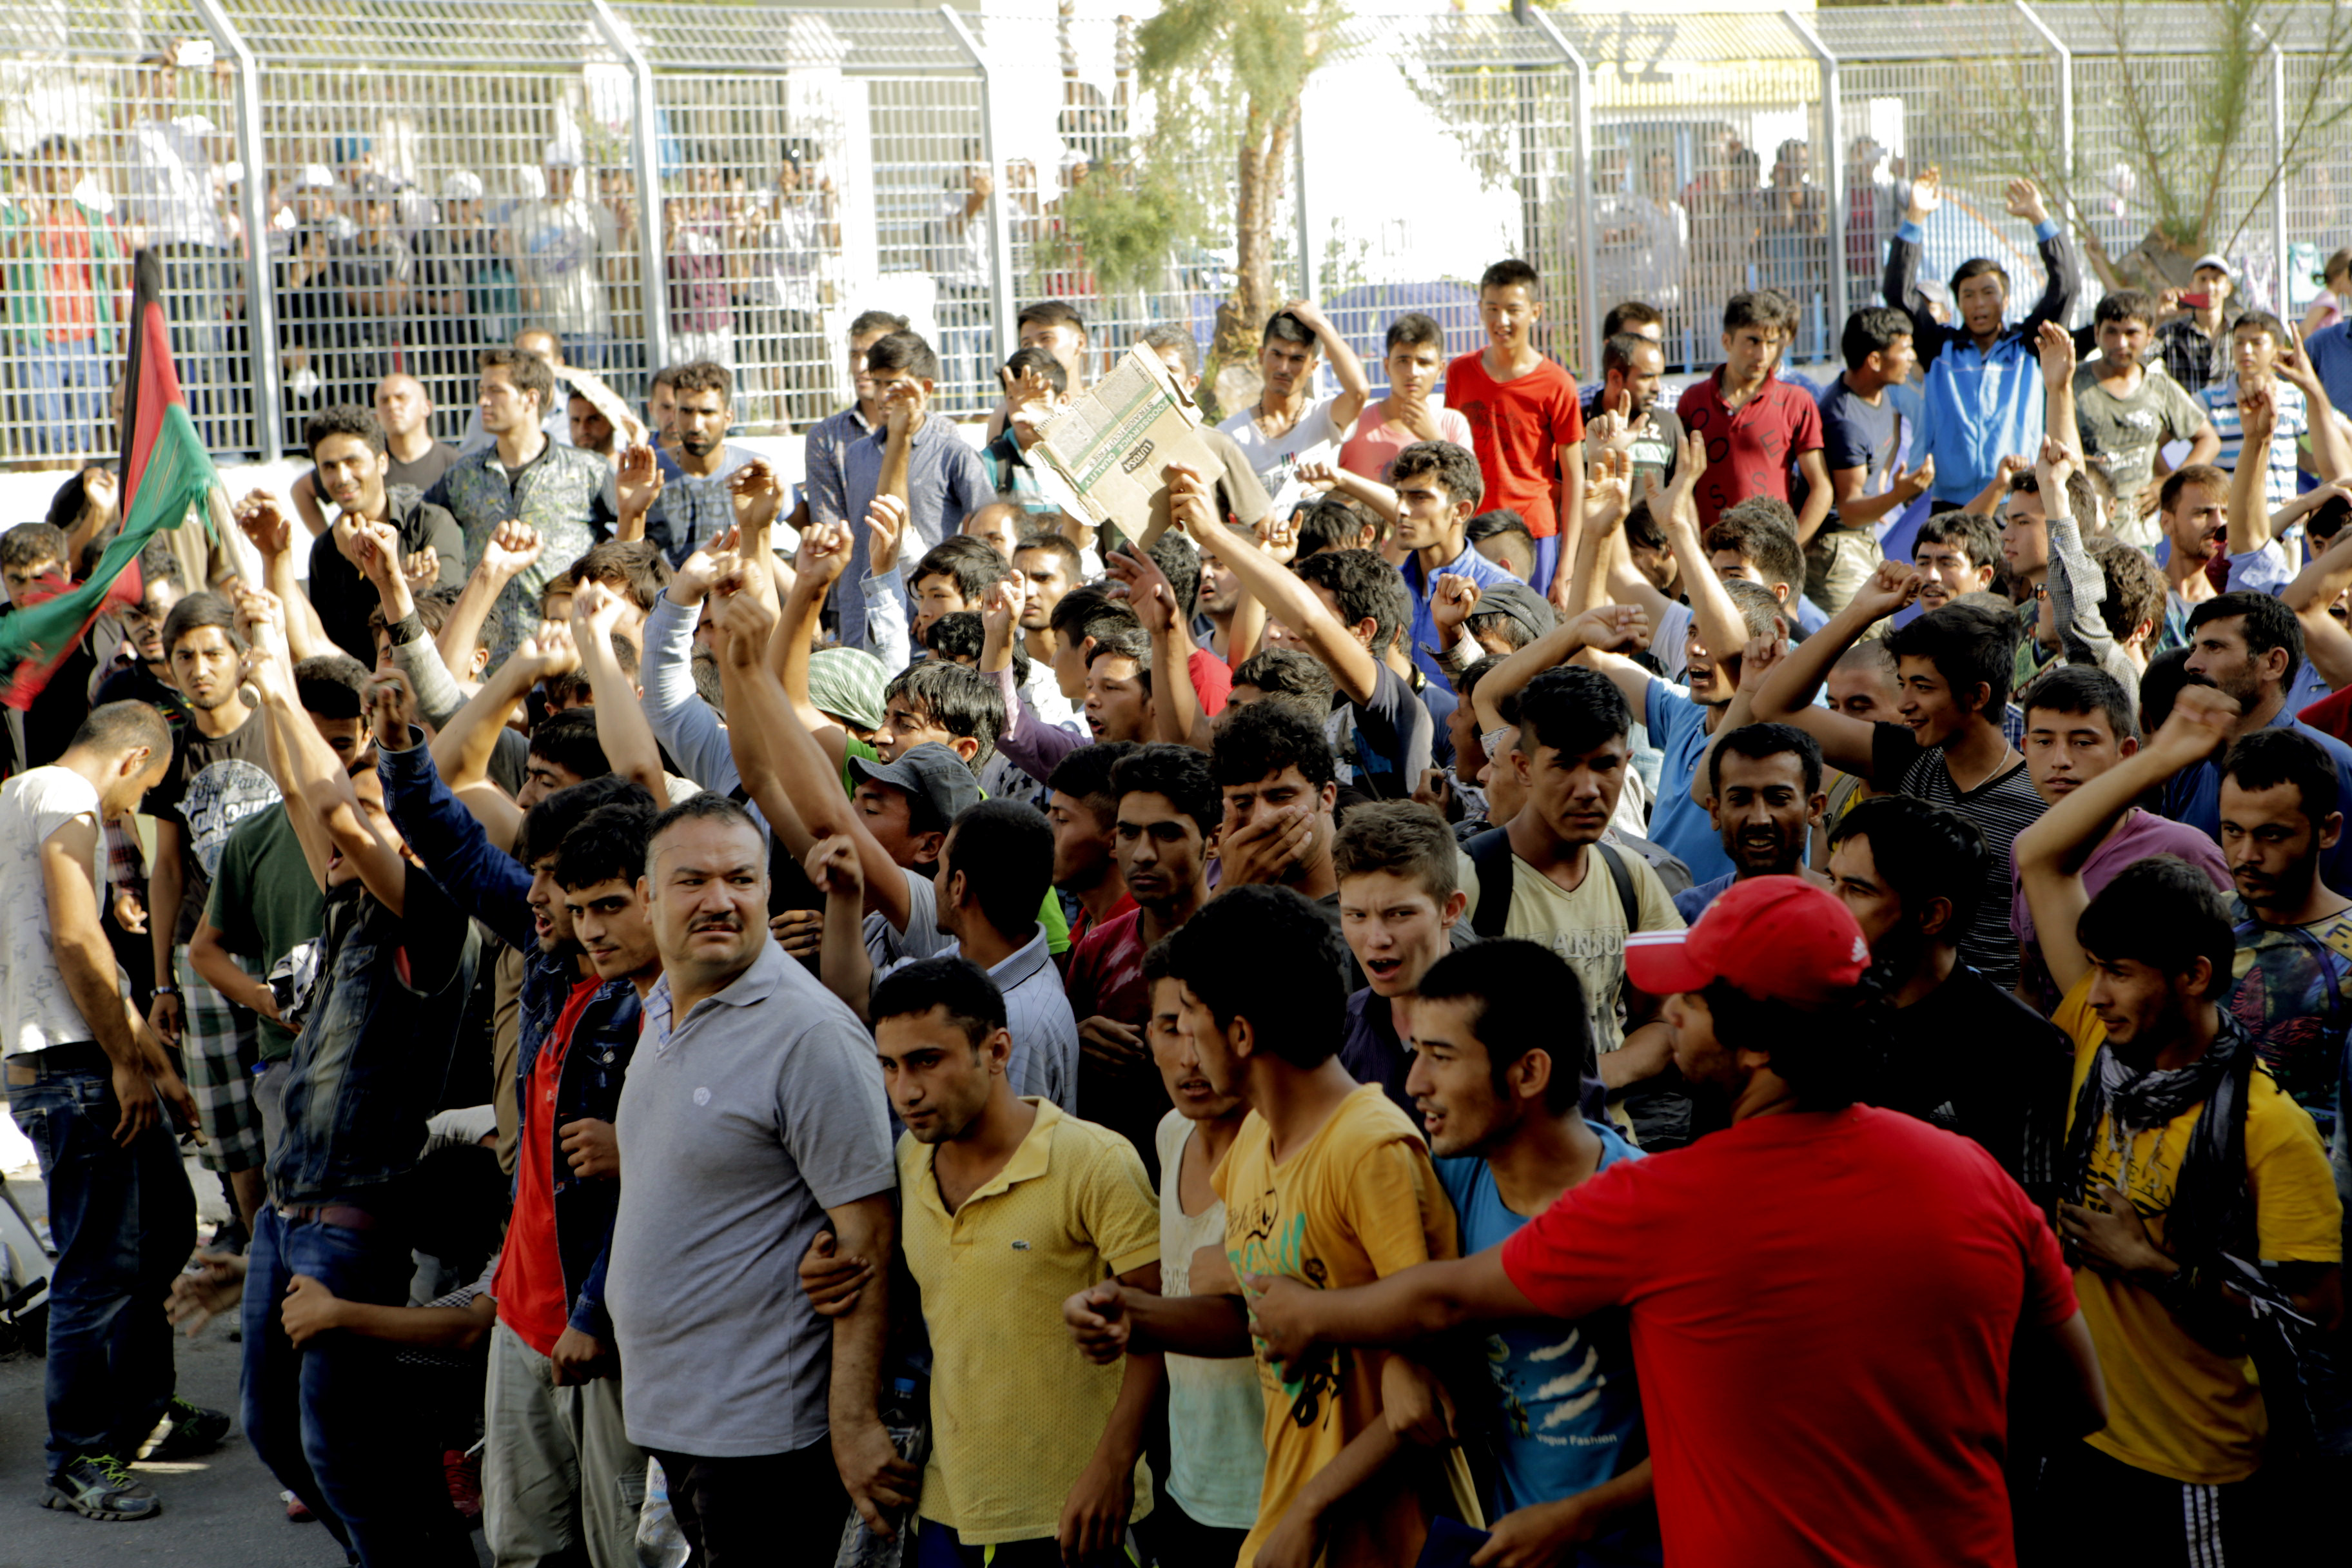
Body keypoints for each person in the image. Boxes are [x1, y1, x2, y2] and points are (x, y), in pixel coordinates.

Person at [1243, 876, 2107, 1568]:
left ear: (1760, 1045)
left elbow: (1447, 1304)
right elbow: (2077, 1400)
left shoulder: (1660, 1200)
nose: (1672, 1020)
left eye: (1690, 1003)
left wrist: (1304, 1313)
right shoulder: (1976, 1176)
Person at [2014, 696, 2342, 1562]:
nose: (2099, 991)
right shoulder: (2101, 1029)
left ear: (2195, 976)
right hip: (2083, 1435)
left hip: (2197, 1467)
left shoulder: (2269, 1129)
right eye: (2099, 972)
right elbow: (2039, 857)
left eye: (2119, 973)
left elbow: (2315, 1315)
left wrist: (2152, 1267)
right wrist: (2163, 755)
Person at [374, 663, 658, 1568]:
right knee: (525, 1547)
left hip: (593, 1335)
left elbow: (643, 1196)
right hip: (521, 1321)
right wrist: (401, 751)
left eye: (557, 880)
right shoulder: (549, 957)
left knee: (625, 1552)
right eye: (535, 877)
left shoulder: (648, 1007)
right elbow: (453, 850)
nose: (532, 897)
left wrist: (593, 1317)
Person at [230, 587, 485, 1566]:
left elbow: (332, 805)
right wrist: (263, 657)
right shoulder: (344, 918)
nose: (345, 834)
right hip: (283, 1217)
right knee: (275, 1432)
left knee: (340, 1452)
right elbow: (308, 797)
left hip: (347, 1227)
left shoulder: (432, 920)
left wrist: (274, 678)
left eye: (377, 816)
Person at [603, 794, 905, 1564]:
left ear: (769, 890)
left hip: (762, 1438)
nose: (719, 900)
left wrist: (854, 1421)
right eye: (692, 880)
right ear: (647, 896)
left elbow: (867, 1235)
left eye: (741, 878)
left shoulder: (808, 1034)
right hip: (678, 1421)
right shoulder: (662, 1005)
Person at [1149, 885, 1482, 1567]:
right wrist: (1135, 1315)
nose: (1185, 1043)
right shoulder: (1252, 1144)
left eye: (1189, 1018)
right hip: (1286, 1518)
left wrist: (1312, 1507)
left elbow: (1431, 1369)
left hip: (1378, 1536)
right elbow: (1263, 1307)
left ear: (1240, 1032)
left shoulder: (1370, 1146)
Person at [853, 957, 1164, 1565]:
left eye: (927, 1060)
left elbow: (1160, 1328)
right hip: (947, 1506)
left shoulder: (1095, 1162)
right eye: (888, 1066)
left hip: (1074, 1511)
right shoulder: (908, 1164)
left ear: (997, 1051)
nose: (905, 1091)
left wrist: (1113, 1468)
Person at [3, 701, 219, 1524]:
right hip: (71, 1066)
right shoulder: (66, 795)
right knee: (94, 1270)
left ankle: (143, 1416)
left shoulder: (18, 794)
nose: (129, 814)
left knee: (164, 1227)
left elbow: (85, 954)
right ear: (131, 759)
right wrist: (128, 1061)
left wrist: (153, 1061)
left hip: (80, 1054)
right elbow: (74, 936)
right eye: (142, 793)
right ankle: (79, 1458)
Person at [1407, 941, 1661, 1563]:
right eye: (1417, 1053)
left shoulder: (1646, 1209)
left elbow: (1711, 1434)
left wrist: (1576, 1520)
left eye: (1441, 1057)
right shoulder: (1453, 1180)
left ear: (1528, 1073)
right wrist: (1400, 1360)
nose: (1415, 1083)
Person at [1750, 560, 2044, 988]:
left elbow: (2032, 968)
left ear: (1977, 696)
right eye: (1903, 684)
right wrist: (1861, 612)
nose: (1904, 702)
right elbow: (1771, 707)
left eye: (1922, 687)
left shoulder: (2039, 803)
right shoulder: (1906, 757)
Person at [1458, 665, 1688, 1144]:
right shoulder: (1469, 880)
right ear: (1524, 768)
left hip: (1610, 1147)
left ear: (1627, 763)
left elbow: (1668, 1020)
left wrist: (1590, 1078)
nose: (1588, 789)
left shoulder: (1633, 877)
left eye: (1604, 765)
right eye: (1564, 765)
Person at [1826, 794, 2070, 1204]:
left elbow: (2032, 1216)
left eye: (1857, 890)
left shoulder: (2022, 1048)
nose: (1830, 904)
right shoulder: (1814, 1014)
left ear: (1931, 916)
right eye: (1831, 880)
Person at [188, 655, 372, 1163]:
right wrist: (264, 999)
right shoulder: (256, 837)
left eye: (340, 743)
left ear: (369, 734)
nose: (327, 761)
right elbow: (205, 950)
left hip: (375, 1060)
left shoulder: (386, 828)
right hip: (288, 1061)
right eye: (307, 742)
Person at [144, 593, 280, 1237]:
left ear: (240, 657)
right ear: (169, 667)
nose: (200, 668)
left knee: (291, 1095)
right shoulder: (171, 754)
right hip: (203, 953)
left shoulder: (275, 728)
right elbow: (167, 869)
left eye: (212, 653)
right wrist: (163, 981)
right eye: (185, 656)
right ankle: (259, 1255)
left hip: (280, 941)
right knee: (229, 1121)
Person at [1169, 469, 1431, 799]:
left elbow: (1308, 621)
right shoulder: (1289, 701)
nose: (1283, 632)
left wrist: (1213, 534)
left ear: (1363, 631)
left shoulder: (1393, 706)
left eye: (1295, 615)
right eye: (1274, 617)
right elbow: (1245, 668)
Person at [2010, 665, 2231, 1010]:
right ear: (2024, 747)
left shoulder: (2184, 849)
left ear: (2126, 752)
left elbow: (2229, 987)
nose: (2061, 761)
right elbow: (2032, 986)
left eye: (2083, 742)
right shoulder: (2027, 845)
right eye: (2043, 742)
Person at [1885, 167, 2080, 506]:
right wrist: (1915, 216)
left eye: (1988, 293)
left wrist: (2039, 216)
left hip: (2017, 499)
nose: (1979, 304)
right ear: (1957, 303)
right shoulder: (1938, 347)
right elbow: (1898, 292)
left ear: (2005, 300)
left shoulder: (2028, 347)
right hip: (1950, 503)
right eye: (1968, 295)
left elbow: (2066, 286)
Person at [1064, 743, 1219, 1168]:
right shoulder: (1098, 949)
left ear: (1214, 841)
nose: (1144, 853)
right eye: (1129, 833)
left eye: (1167, 833)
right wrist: (1075, 1039)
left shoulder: (1239, 948)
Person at [422, 346, 612, 663]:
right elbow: (420, 524)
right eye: (482, 391)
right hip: (485, 658)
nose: (483, 401)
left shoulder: (588, 470)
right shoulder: (463, 475)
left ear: (531, 399)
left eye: (496, 391)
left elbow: (635, 537)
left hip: (564, 655)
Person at [2166, 588, 2352, 891]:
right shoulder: (2187, 764)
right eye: (2193, 649)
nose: (2192, 664)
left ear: (2274, 663)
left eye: (2214, 647)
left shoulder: (2336, 764)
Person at [836, 331, 994, 651]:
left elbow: (987, 539)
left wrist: (945, 608)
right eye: (878, 383)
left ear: (925, 389)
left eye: (894, 385)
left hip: (932, 630)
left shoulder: (954, 454)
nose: (883, 396)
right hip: (863, 619)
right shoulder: (856, 454)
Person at [1446, 259, 1587, 605]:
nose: (1501, 321)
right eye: (1492, 309)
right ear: (1480, 309)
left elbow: (1574, 479)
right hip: (1471, 533)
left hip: (1534, 538)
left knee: (1534, 642)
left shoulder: (1557, 384)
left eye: (1513, 309)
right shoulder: (1460, 373)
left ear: (1535, 311)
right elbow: (1449, 457)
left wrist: (1565, 568)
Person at [288, 406, 465, 665]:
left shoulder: (429, 524)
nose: (342, 477)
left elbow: (447, 625)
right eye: (329, 467)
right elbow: (321, 640)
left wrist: (358, 557)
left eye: (353, 462)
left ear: (382, 462)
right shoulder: (325, 548)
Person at [1331, 800, 1469, 1112]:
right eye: (1356, 915)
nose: (1377, 939)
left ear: (1450, 910)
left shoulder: (1521, 1025)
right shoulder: (1339, 1034)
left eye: (1399, 914)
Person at [1674, 290, 1830, 544]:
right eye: (1753, 341)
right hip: (1709, 557)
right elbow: (1680, 484)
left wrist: (1790, 550)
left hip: (1769, 560)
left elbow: (1821, 487)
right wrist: (1692, 547)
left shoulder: (1796, 401)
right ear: (1727, 342)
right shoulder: (1693, 401)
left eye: (1771, 344)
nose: (1763, 355)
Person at [1812, 306, 1930, 612]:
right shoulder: (1844, 421)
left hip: (1863, 540)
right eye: (1905, 349)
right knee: (1852, 651)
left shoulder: (1878, 390)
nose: (1912, 357)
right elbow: (1849, 510)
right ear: (1875, 360)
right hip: (1838, 551)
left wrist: (1879, 493)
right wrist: (1898, 494)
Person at [2068, 290, 2220, 525]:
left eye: (2131, 333)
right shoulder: (2072, 384)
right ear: (2097, 333)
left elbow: (2209, 440)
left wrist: (2170, 484)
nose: (2121, 343)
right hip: (2087, 527)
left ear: (2149, 335)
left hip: (2141, 533)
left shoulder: (2159, 387)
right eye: (2112, 332)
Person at [1385, 440, 1519, 687]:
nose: (1401, 509)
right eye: (1400, 496)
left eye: (1419, 498)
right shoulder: (1387, 587)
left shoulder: (1501, 592)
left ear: (1461, 511)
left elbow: (1506, 693)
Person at [1217, 299, 1371, 513]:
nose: (1284, 368)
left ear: (1313, 367)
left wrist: (1321, 324)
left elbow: (1359, 391)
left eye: (1297, 359)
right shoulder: (1229, 435)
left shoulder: (1325, 417)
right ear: (1262, 356)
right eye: (1276, 355)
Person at [1674, 721, 1827, 922]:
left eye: (1779, 799)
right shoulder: (1686, 916)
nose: (1759, 819)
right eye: (1740, 800)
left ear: (1814, 809)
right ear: (1715, 811)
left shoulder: (1849, 912)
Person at [509, 144, 617, 370]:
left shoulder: (594, 215)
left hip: (588, 324)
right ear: (543, 169)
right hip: (545, 328)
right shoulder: (522, 218)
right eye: (554, 171)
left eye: (567, 172)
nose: (560, 179)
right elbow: (524, 281)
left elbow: (611, 270)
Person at [638, 359, 756, 564]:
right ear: (675, 414)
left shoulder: (753, 468)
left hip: (740, 587)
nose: (695, 425)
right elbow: (629, 554)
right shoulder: (649, 472)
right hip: (667, 592)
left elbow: (808, 530)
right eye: (686, 412)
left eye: (707, 412)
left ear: (728, 418)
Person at [1338, 311, 1474, 483]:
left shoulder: (1452, 424)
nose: (1413, 373)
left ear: (1441, 369)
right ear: (1387, 366)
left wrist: (1436, 440)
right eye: (1403, 361)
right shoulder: (1355, 424)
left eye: (1424, 363)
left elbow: (1471, 491)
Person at [2153, 252, 2237, 396]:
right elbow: (2139, 360)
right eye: (2203, 280)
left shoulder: (2239, 333)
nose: (2209, 287)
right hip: (2186, 416)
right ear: (2191, 287)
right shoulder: (2172, 334)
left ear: (2228, 289)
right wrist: (2158, 319)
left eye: (2216, 280)